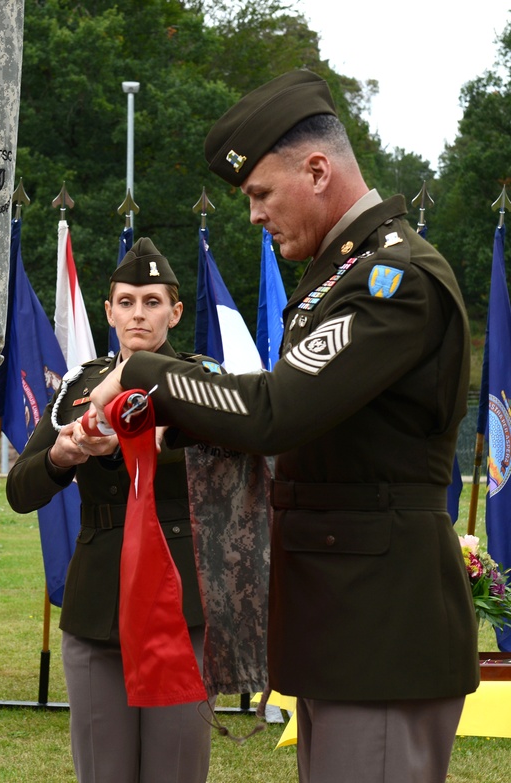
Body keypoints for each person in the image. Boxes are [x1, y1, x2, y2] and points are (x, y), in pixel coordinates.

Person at [89, 70, 479, 783]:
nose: (254, 216)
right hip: (345, 625)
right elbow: (298, 421)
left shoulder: (394, 280)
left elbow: (276, 412)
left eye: (262, 194)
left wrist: (147, 374)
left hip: (381, 631)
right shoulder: (339, 277)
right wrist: (174, 424)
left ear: (318, 170)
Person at [6, 238, 215, 783]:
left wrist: (141, 437)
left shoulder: (202, 381)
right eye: (126, 301)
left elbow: (229, 453)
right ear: (108, 311)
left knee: (176, 768)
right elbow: (20, 491)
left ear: (176, 310)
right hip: (99, 604)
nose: (138, 313)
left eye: (151, 301)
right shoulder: (79, 387)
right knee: (102, 769)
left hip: (178, 602)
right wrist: (61, 454)